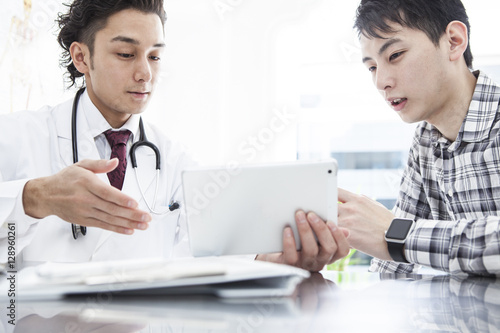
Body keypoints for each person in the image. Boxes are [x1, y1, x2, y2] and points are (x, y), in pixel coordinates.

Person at [0, 0, 348, 272]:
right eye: (126, 54)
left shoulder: (174, 159)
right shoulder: (18, 136)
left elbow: (207, 256)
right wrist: (34, 199)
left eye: (155, 56)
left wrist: (277, 260)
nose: (145, 73)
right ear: (81, 57)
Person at [335, 0, 500, 276]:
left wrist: (398, 233)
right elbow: (392, 263)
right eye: (372, 67)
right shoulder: (426, 140)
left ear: (453, 41)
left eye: (396, 55)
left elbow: (395, 235)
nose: (381, 82)